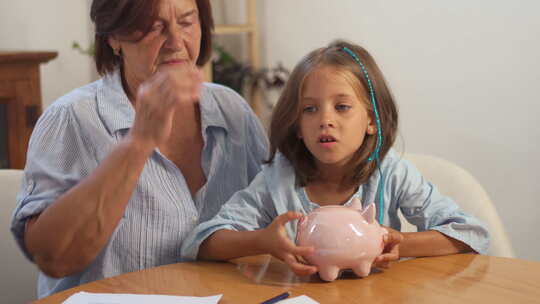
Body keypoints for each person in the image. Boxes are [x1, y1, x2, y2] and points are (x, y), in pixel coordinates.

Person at [10, 0, 268, 298]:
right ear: (114, 37)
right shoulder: (70, 118)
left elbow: (270, 210)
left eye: (186, 22)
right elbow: (55, 259)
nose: (175, 43)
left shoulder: (232, 110)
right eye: (152, 27)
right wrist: (139, 143)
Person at [181, 40, 490, 277]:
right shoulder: (278, 179)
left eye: (341, 107)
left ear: (372, 120)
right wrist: (264, 241)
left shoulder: (392, 174)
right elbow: (202, 242)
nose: (325, 120)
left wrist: (395, 243)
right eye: (310, 109)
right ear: (298, 126)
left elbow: (470, 233)